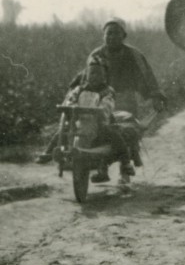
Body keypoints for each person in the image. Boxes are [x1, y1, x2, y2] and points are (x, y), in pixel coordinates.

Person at [37, 18, 166, 182]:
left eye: (115, 33)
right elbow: (86, 76)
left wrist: (155, 95)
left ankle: (125, 170)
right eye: (108, 33)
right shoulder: (96, 54)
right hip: (98, 98)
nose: (111, 37)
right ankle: (99, 167)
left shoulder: (133, 55)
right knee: (94, 131)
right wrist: (73, 94)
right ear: (103, 35)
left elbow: (146, 76)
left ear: (123, 35)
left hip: (125, 98)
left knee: (126, 132)